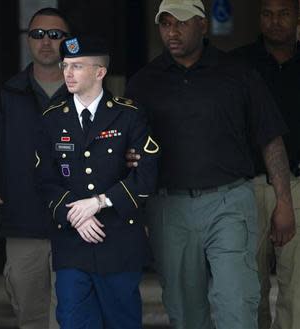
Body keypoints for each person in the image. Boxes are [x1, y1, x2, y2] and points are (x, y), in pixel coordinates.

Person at [125, 0, 296, 328]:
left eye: (182, 23)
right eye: (165, 24)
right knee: (185, 311)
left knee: (237, 304)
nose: (172, 32)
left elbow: (270, 139)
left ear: (202, 25)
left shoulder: (237, 73)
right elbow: (124, 145)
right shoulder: (144, 83)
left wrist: (284, 203)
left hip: (229, 202)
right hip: (169, 206)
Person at [37, 35, 159, 329]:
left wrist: (100, 202)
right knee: (74, 321)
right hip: (72, 243)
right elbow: (44, 179)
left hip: (118, 241)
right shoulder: (53, 119)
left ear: (100, 72)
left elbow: (146, 176)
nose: (67, 73)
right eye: (66, 65)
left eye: (77, 66)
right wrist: (74, 214)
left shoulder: (129, 115)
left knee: (122, 322)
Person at [0, 8, 71, 329]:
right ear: (28, 40)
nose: (45, 42)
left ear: (68, 42)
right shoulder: (7, 94)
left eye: (55, 35)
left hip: (76, 227)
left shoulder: (86, 92)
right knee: (31, 320)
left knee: (70, 319)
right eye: (37, 34)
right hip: (23, 224)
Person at [231, 1, 300, 328]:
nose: (275, 22)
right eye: (267, 14)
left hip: (298, 185)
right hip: (247, 185)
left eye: (284, 14)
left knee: (297, 289)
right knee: (248, 286)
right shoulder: (238, 65)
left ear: (297, 18)